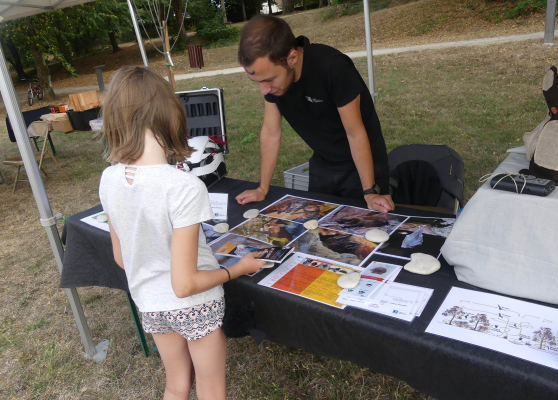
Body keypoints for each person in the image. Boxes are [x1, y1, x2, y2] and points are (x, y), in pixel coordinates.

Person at [98, 66, 265, 400]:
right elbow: (185, 284)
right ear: (169, 115)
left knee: (175, 385)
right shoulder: (183, 186)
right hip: (195, 305)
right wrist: (238, 269)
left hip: (149, 303)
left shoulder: (108, 179)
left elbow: (121, 257)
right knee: (211, 388)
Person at [235, 15, 394, 213]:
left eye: (269, 79)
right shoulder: (274, 85)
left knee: (361, 235)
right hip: (323, 163)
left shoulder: (332, 68)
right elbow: (270, 132)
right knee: (318, 232)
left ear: (292, 58)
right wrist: (262, 188)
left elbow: (355, 133)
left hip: (363, 165)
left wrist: (369, 191)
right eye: (257, 82)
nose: (264, 90)